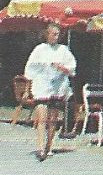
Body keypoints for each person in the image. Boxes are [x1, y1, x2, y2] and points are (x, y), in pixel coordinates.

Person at [24, 23, 77, 162]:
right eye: (53, 34)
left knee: (52, 120)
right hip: (41, 87)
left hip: (57, 88)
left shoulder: (63, 50)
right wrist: (27, 89)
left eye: (58, 34)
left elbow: (72, 70)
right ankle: (41, 149)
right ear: (47, 34)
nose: (56, 36)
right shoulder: (39, 50)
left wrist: (62, 68)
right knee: (42, 118)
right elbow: (30, 70)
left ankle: (48, 146)